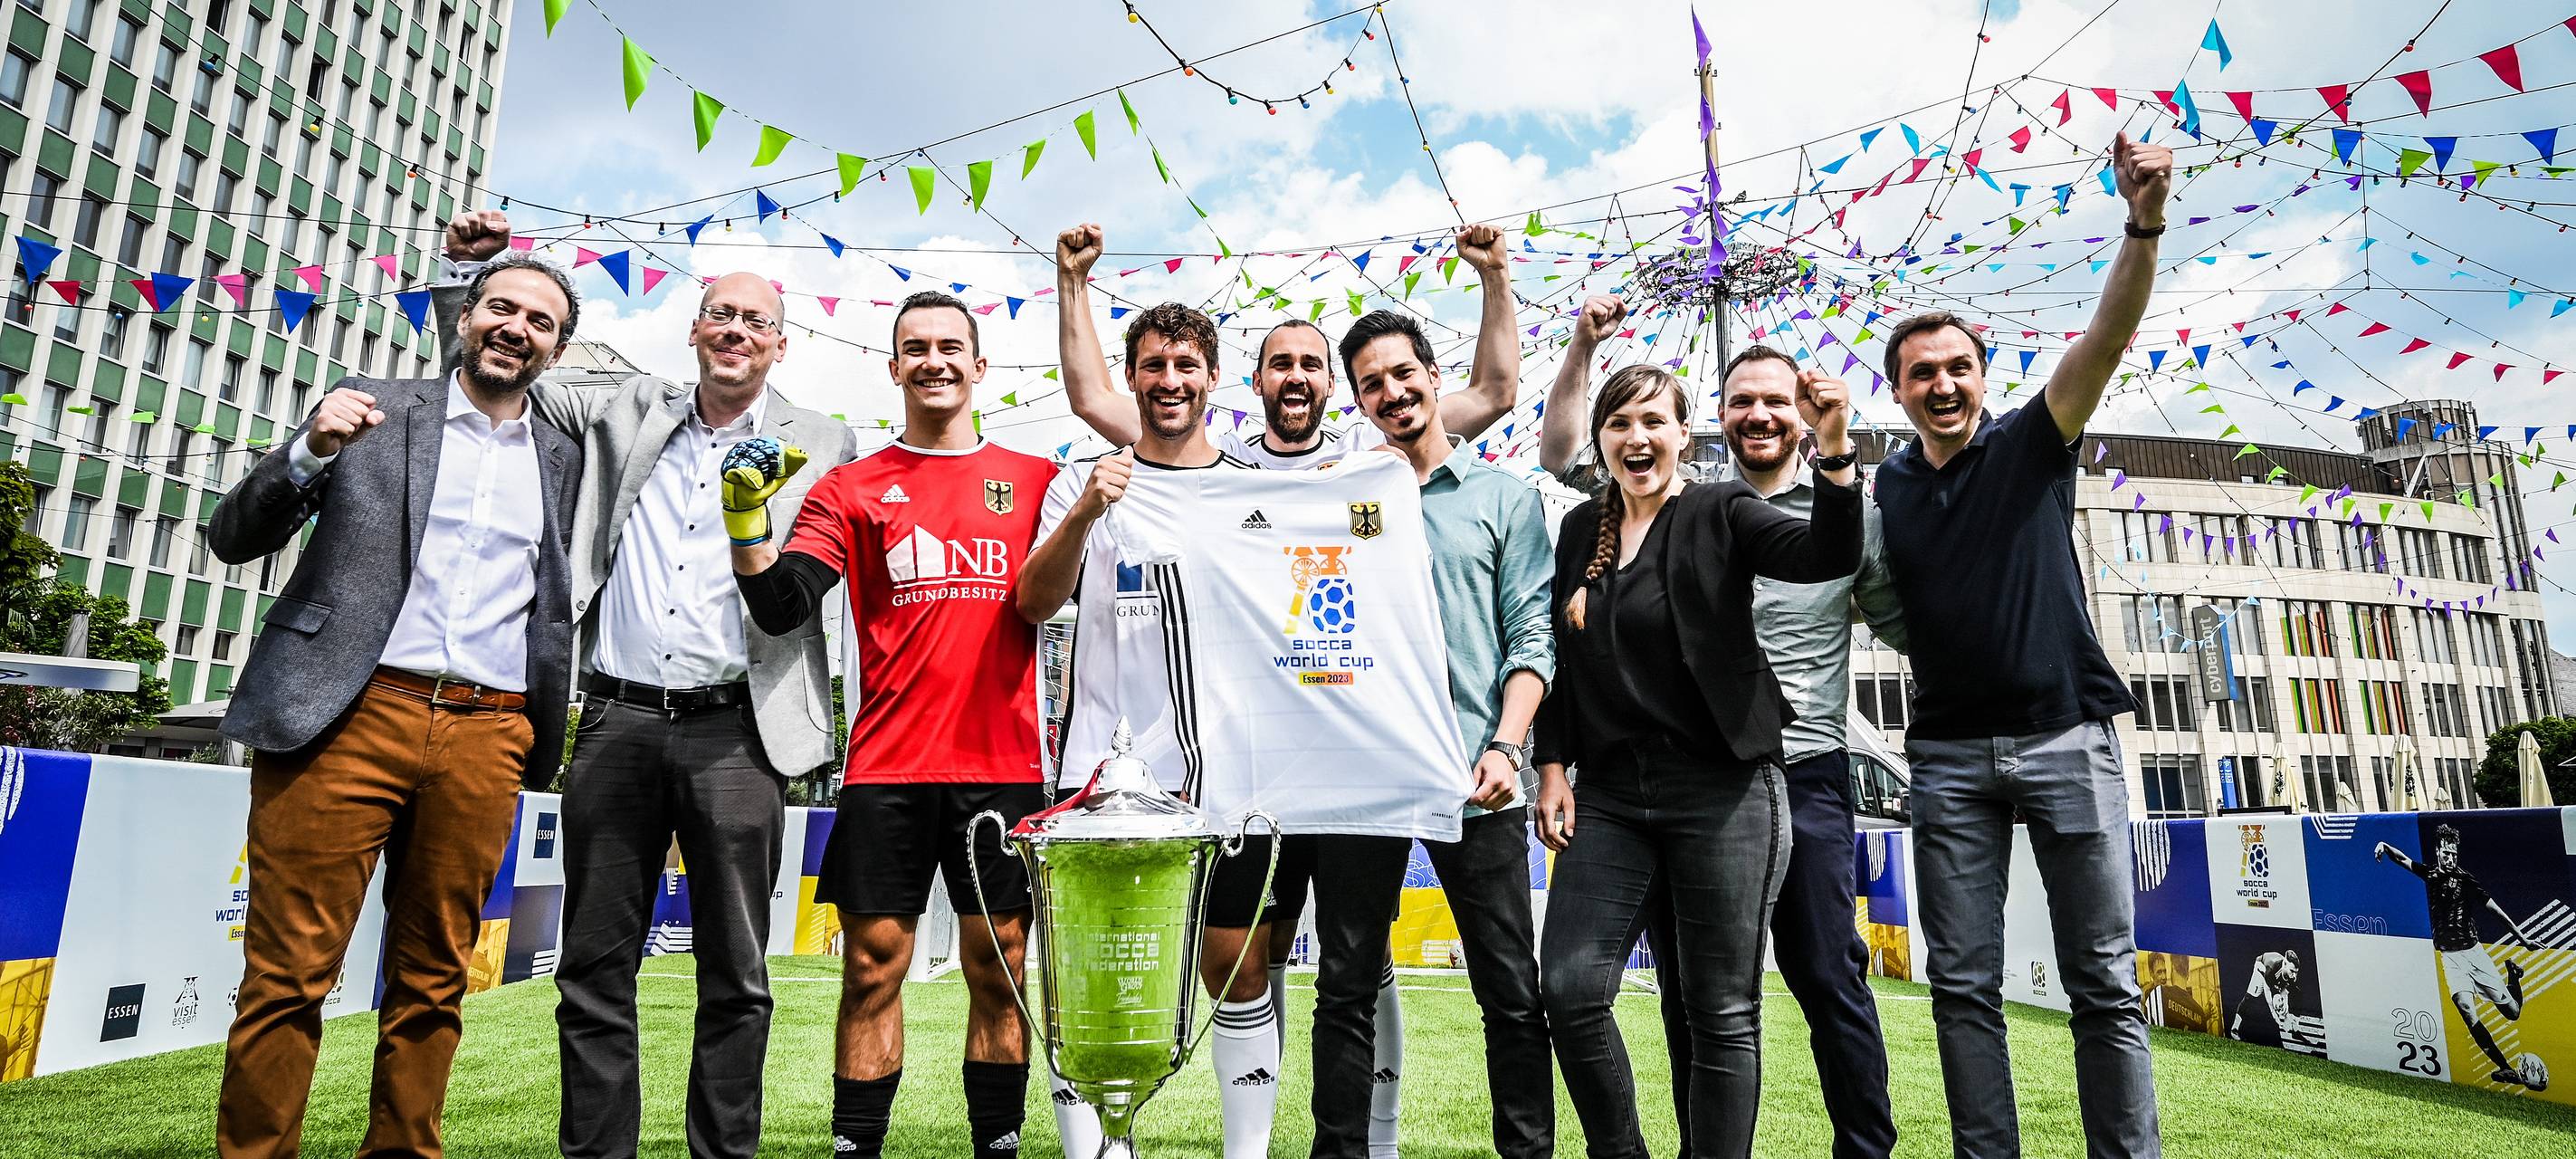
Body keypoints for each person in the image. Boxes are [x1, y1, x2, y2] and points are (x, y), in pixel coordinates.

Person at [1046, 221, 1524, 1155]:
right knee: (1251, 960)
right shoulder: (1221, 474)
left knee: (1358, 963)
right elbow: (1099, 394)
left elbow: (1494, 393)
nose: (1296, 374)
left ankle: (1369, 1140)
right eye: (1279, 362)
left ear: (1332, 388)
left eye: (1312, 361)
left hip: (1348, 766)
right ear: (1251, 384)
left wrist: (1494, 278)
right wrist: (1071, 284)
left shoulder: (1367, 464)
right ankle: (1251, 1140)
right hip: (1248, 769)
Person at [423, 209, 857, 1159]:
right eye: (718, 314)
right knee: (593, 965)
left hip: (742, 730)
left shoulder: (826, 439)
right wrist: (470, 270)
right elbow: (497, 356)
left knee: (736, 971)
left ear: (780, 343)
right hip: (614, 719)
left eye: (753, 319)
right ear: (693, 331)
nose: (734, 330)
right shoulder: (621, 405)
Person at [205, 252, 583, 1159]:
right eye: (501, 307)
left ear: (556, 349)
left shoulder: (566, 458)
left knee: (434, 980)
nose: (515, 327)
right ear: (465, 316)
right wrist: (309, 448)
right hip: (345, 713)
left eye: (539, 321)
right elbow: (235, 535)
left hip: (490, 731)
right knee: (289, 975)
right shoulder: (369, 409)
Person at [1870, 131, 2173, 1158]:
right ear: (1898, 392)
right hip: (1947, 758)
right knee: (1960, 985)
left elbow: (2106, 334)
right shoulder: (1889, 485)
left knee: (2100, 978)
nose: (1943, 383)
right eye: (1922, 374)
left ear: (1983, 374)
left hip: (2064, 736)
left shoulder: (2033, 439)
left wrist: (2140, 220)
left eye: (1958, 366)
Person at [1544, 336, 1908, 1159]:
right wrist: (1553, 765)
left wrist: (1838, 448)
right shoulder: (1578, 531)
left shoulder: (1719, 510)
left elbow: (1829, 552)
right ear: (1603, 439)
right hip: (1611, 796)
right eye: (1620, 424)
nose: (1637, 438)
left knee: (1721, 1009)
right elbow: (1563, 664)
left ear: (1683, 435)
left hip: (1726, 789)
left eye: (1653, 423)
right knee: (1568, 987)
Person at [721, 291, 1059, 1157]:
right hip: (889, 771)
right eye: (917, 348)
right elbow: (780, 604)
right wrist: (745, 516)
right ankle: (857, 1147)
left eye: (953, 346)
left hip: (1004, 769)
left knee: (1002, 972)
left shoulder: (1036, 480)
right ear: (894, 366)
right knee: (871, 970)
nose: (935, 361)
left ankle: (999, 1144)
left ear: (980, 366)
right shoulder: (852, 486)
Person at [1017, 297, 1293, 1158]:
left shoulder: (1256, 489)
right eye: (1153, 366)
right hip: (1103, 776)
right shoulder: (1085, 480)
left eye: (1186, 367)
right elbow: (1033, 603)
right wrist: (1085, 513)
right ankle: (1095, 1150)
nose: (1169, 382)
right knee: (1083, 973)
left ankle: (1245, 1153)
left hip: (1229, 777)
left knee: (1234, 965)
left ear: (1214, 379)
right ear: (1130, 378)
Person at [1339, 309, 1556, 1158]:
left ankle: (1527, 1152)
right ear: (1358, 401)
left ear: (1434, 377)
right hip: (1367, 782)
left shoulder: (1502, 497)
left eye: (1402, 374)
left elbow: (1531, 634)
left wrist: (1507, 746)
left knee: (1509, 987)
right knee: (1346, 986)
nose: (1391, 393)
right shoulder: (1349, 502)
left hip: (1480, 773)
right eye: (1371, 384)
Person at [2376, 828, 2543, 1087]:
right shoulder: (2430, 874)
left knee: (2513, 1013)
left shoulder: (2466, 881)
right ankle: (2505, 1068)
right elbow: (2402, 860)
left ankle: (2513, 974)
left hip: (2474, 955)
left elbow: (2495, 910)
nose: (2451, 858)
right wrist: (2385, 846)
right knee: (2466, 1009)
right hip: (2451, 958)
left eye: (2454, 854)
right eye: (2446, 853)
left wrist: (2522, 939)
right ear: (2438, 852)